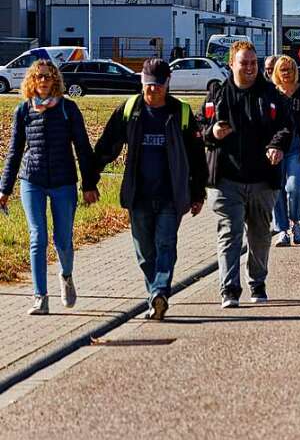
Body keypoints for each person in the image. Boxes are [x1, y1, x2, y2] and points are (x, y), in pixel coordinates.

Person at [94, 59, 207, 321]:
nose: (152, 91)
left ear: (167, 84)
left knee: (165, 245)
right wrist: (91, 175)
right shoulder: (131, 109)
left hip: (171, 194)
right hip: (139, 195)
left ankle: (159, 292)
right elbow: (107, 144)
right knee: (145, 253)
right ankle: (155, 298)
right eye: (147, 85)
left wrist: (198, 192)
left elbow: (196, 156)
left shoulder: (181, 112)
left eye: (157, 86)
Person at [1, 60, 99, 316]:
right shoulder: (23, 111)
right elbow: (14, 152)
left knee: (63, 240)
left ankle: (66, 276)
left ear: (55, 80)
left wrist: (89, 184)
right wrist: (4, 188)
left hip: (63, 181)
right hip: (32, 180)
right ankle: (40, 296)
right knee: (37, 237)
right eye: (39, 77)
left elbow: (83, 148)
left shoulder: (68, 109)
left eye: (48, 77)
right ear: (32, 80)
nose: (43, 81)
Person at [203, 40, 292, 308]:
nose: (250, 67)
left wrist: (277, 146)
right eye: (244, 63)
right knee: (229, 233)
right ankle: (229, 289)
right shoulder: (218, 95)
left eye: (254, 63)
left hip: (263, 180)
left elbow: (286, 127)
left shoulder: (271, 95)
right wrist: (212, 133)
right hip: (226, 179)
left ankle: (257, 281)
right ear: (231, 64)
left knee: (260, 234)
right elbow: (200, 128)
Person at [270, 56, 300, 248]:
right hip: (275, 146)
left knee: (295, 186)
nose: (287, 73)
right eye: (283, 69)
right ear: (277, 73)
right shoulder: (271, 94)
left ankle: (295, 221)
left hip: (297, 144)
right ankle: (282, 230)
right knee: (277, 188)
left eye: (290, 68)